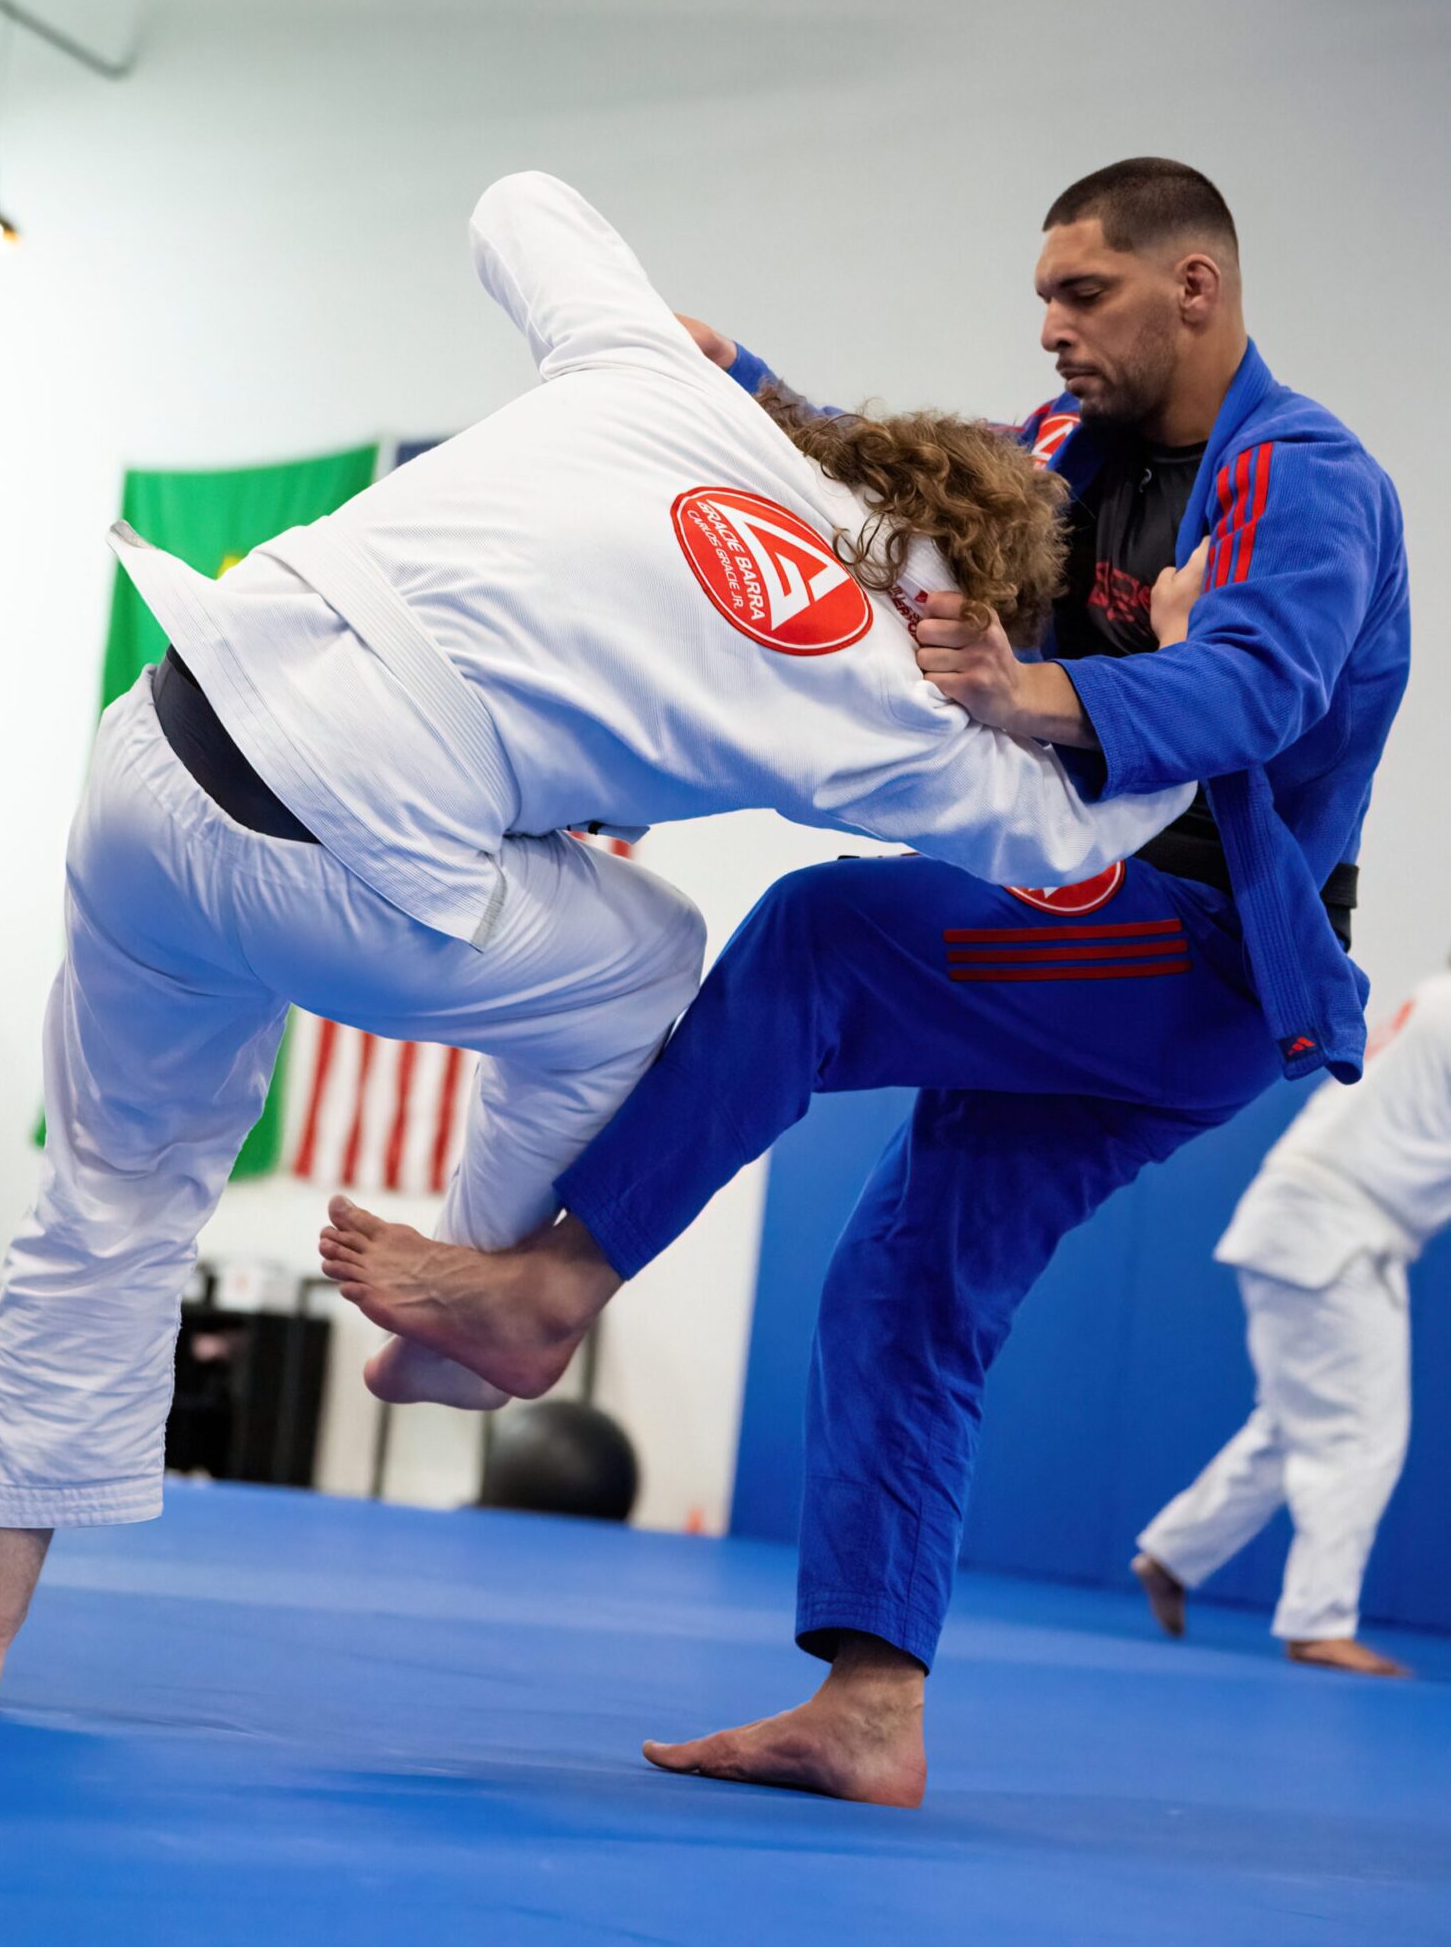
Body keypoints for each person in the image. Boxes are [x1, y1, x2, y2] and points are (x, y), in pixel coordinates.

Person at [0, 172, 1184, 1707]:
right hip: (340, 855)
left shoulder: (643, 378)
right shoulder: (900, 678)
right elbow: (1064, 840)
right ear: (985, 594)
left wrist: (666, 339)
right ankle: (475, 1298)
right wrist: (1172, 682)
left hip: (153, 762)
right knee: (651, 958)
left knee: (109, 1198)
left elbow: (516, 204)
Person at [318, 159, 1411, 1808]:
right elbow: (899, 471)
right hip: (1089, 939)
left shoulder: (1298, 472)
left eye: (1080, 293)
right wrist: (737, 381)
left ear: (1193, 286)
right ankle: (869, 1709)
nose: (1047, 327)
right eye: (1039, 295)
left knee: (824, 938)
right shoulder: (1069, 456)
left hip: (1199, 954)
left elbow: (1253, 688)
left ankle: (550, 1287)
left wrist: (1021, 684)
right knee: (901, 1285)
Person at [1134, 972, 1451, 1677]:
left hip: (1307, 1214)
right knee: (1355, 1435)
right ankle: (1318, 1623)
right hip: (1335, 1228)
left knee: (1294, 1423)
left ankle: (1174, 1553)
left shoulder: (1434, 995)